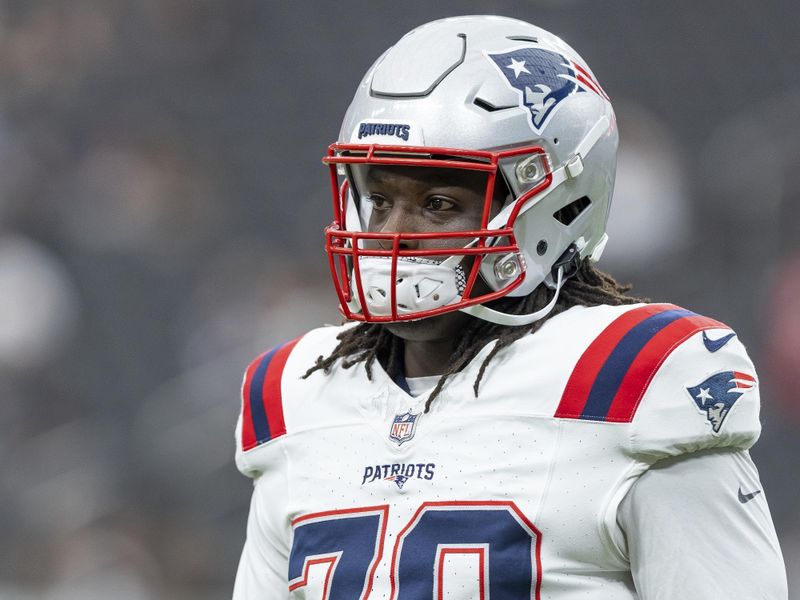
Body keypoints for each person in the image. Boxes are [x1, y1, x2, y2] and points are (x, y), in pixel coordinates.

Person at [232, 15, 787, 599]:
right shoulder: (296, 396)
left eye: (439, 202)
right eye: (379, 199)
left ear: (554, 202)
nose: (394, 233)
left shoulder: (629, 379)